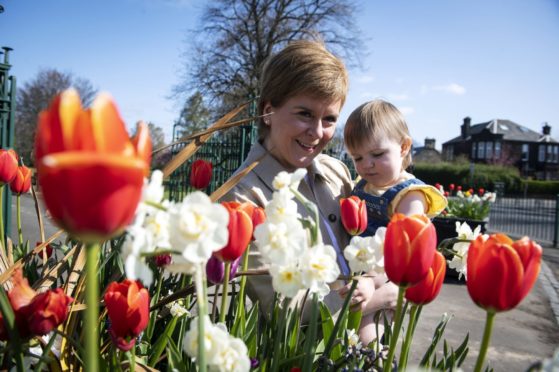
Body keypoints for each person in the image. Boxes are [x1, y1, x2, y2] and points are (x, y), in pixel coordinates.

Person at [221, 40, 397, 344]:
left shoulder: (335, 171)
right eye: (304, 114)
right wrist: (383, 295)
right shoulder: (241, 200)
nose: (317, 133)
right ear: (267, 111)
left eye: (329, 119)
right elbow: (283, 307)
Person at [344, 99, 447, 237]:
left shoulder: (410, 195)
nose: (366, 164)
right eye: (358, 158)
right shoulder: (363, 185)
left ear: (403, 147)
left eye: (377, 154)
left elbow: (405, 240)